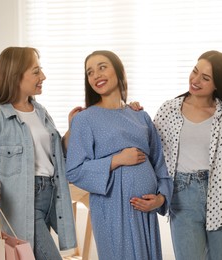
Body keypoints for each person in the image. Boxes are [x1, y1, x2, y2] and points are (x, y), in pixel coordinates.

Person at [0, 46, 82, 260]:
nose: (43, 77)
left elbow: (55, 154)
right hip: (22, 202)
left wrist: (72, 130)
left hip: (51, 197)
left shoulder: (40, 112)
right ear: (15, 75)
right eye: (36, 71)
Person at [65, 50, 173, 260]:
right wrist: (117, 160)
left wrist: (160, 199)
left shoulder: (140, 116)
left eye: (102, 67)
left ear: (118, 70)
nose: (96, 75)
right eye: (90, 72)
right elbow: (74, 170)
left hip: (146, 211)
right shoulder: (85, 119)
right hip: (112, 209)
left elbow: (160, 165)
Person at [153, 50, 222, 260]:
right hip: (182, 199)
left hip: (221, 199)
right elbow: (152, 150)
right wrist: (135, 112)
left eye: (205, 78)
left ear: (218, 84)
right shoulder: (169, 110)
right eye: (195, 71)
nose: (195, 80)